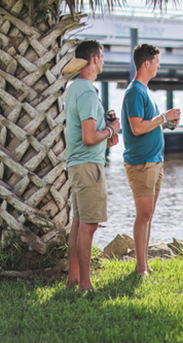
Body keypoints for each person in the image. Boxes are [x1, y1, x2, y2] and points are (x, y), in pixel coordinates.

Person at [66, 40, 121, 291]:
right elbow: (89, 137)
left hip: (79, 163)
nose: (104, 61)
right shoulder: (87, 92)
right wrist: (112, 128)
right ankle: (85, 284)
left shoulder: (74, 88)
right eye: (102, 57)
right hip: (89, 167)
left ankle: (74, 278)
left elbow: (86, 136)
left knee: (79, 223)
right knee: (88, 226)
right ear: (94, 59)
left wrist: (106, 140)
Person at [122, 44, 180, 276]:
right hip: (142, 163)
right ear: (146, 63)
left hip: (154, 161)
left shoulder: (145, 91)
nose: (159, 65)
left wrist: (165, 123)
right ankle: (140, 268)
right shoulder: (135, 91)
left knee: (148, 215)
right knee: (144, 215)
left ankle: (144, 264)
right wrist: (163, 117)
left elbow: (148, 124)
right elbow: (136, 128)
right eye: (157, 61)